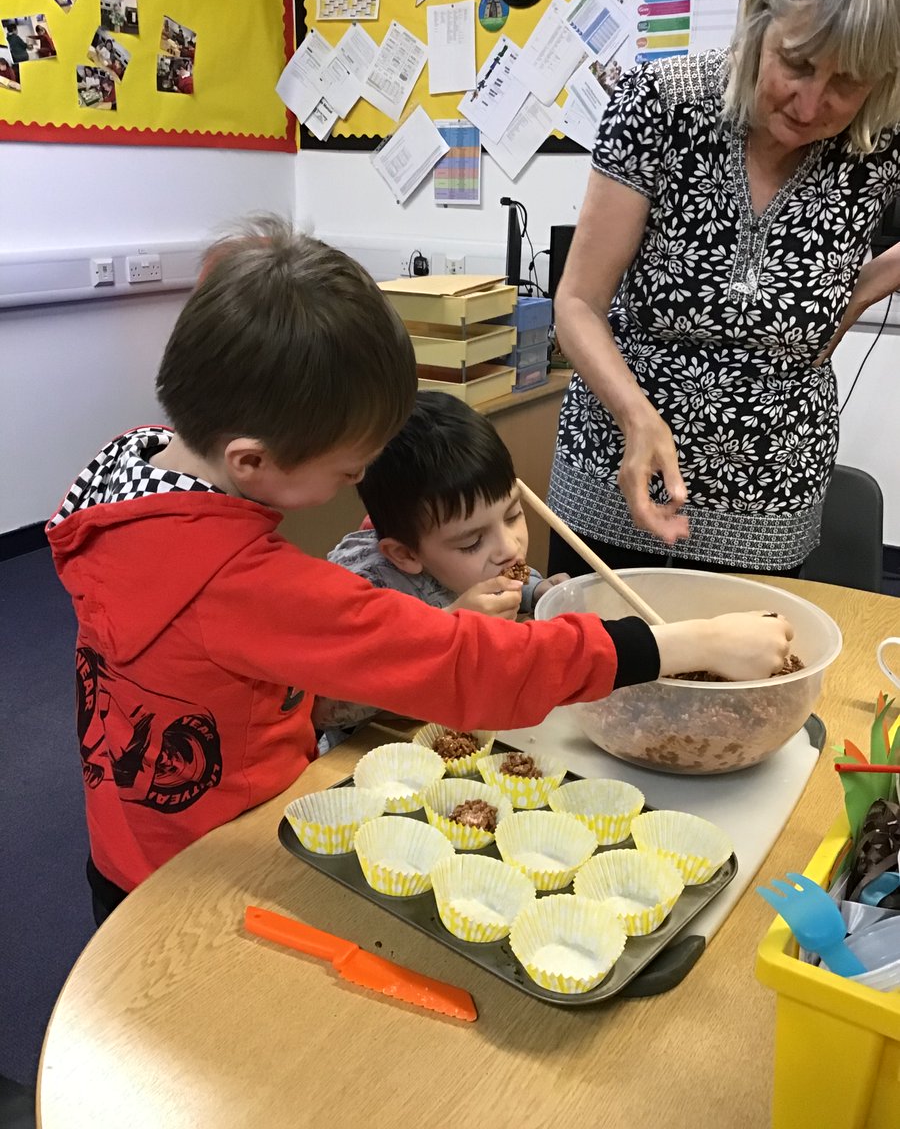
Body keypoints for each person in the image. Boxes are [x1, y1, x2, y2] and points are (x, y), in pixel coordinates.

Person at [46, 218, 794, 926]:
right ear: (250, 461)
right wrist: (684, 646)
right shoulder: (239, 583)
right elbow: (466, 666)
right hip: (212, 863)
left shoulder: (131, 477)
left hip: (125, 845)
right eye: (349, 470)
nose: (356, 488)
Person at [548, 0, 900, 582]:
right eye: (796, 62)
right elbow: (576, 303)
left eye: (845, 83)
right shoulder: (661, 100)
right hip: (614, 478)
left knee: (750, 682)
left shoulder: (883, 139)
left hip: (771, 501)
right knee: (601, 673)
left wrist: (869, 282)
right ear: (761, 21)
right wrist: (636, 416)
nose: (811, 101)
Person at [313, 392, 571, 745]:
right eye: (471, 543)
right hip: (375, 759)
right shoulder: (361, 587)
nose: (510, 547)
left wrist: (537, 591)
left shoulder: (493, 555)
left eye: (513, 515)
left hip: (462, 728)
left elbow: (508, 576)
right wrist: (446, 631)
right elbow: (323, 707)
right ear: (405, 554)